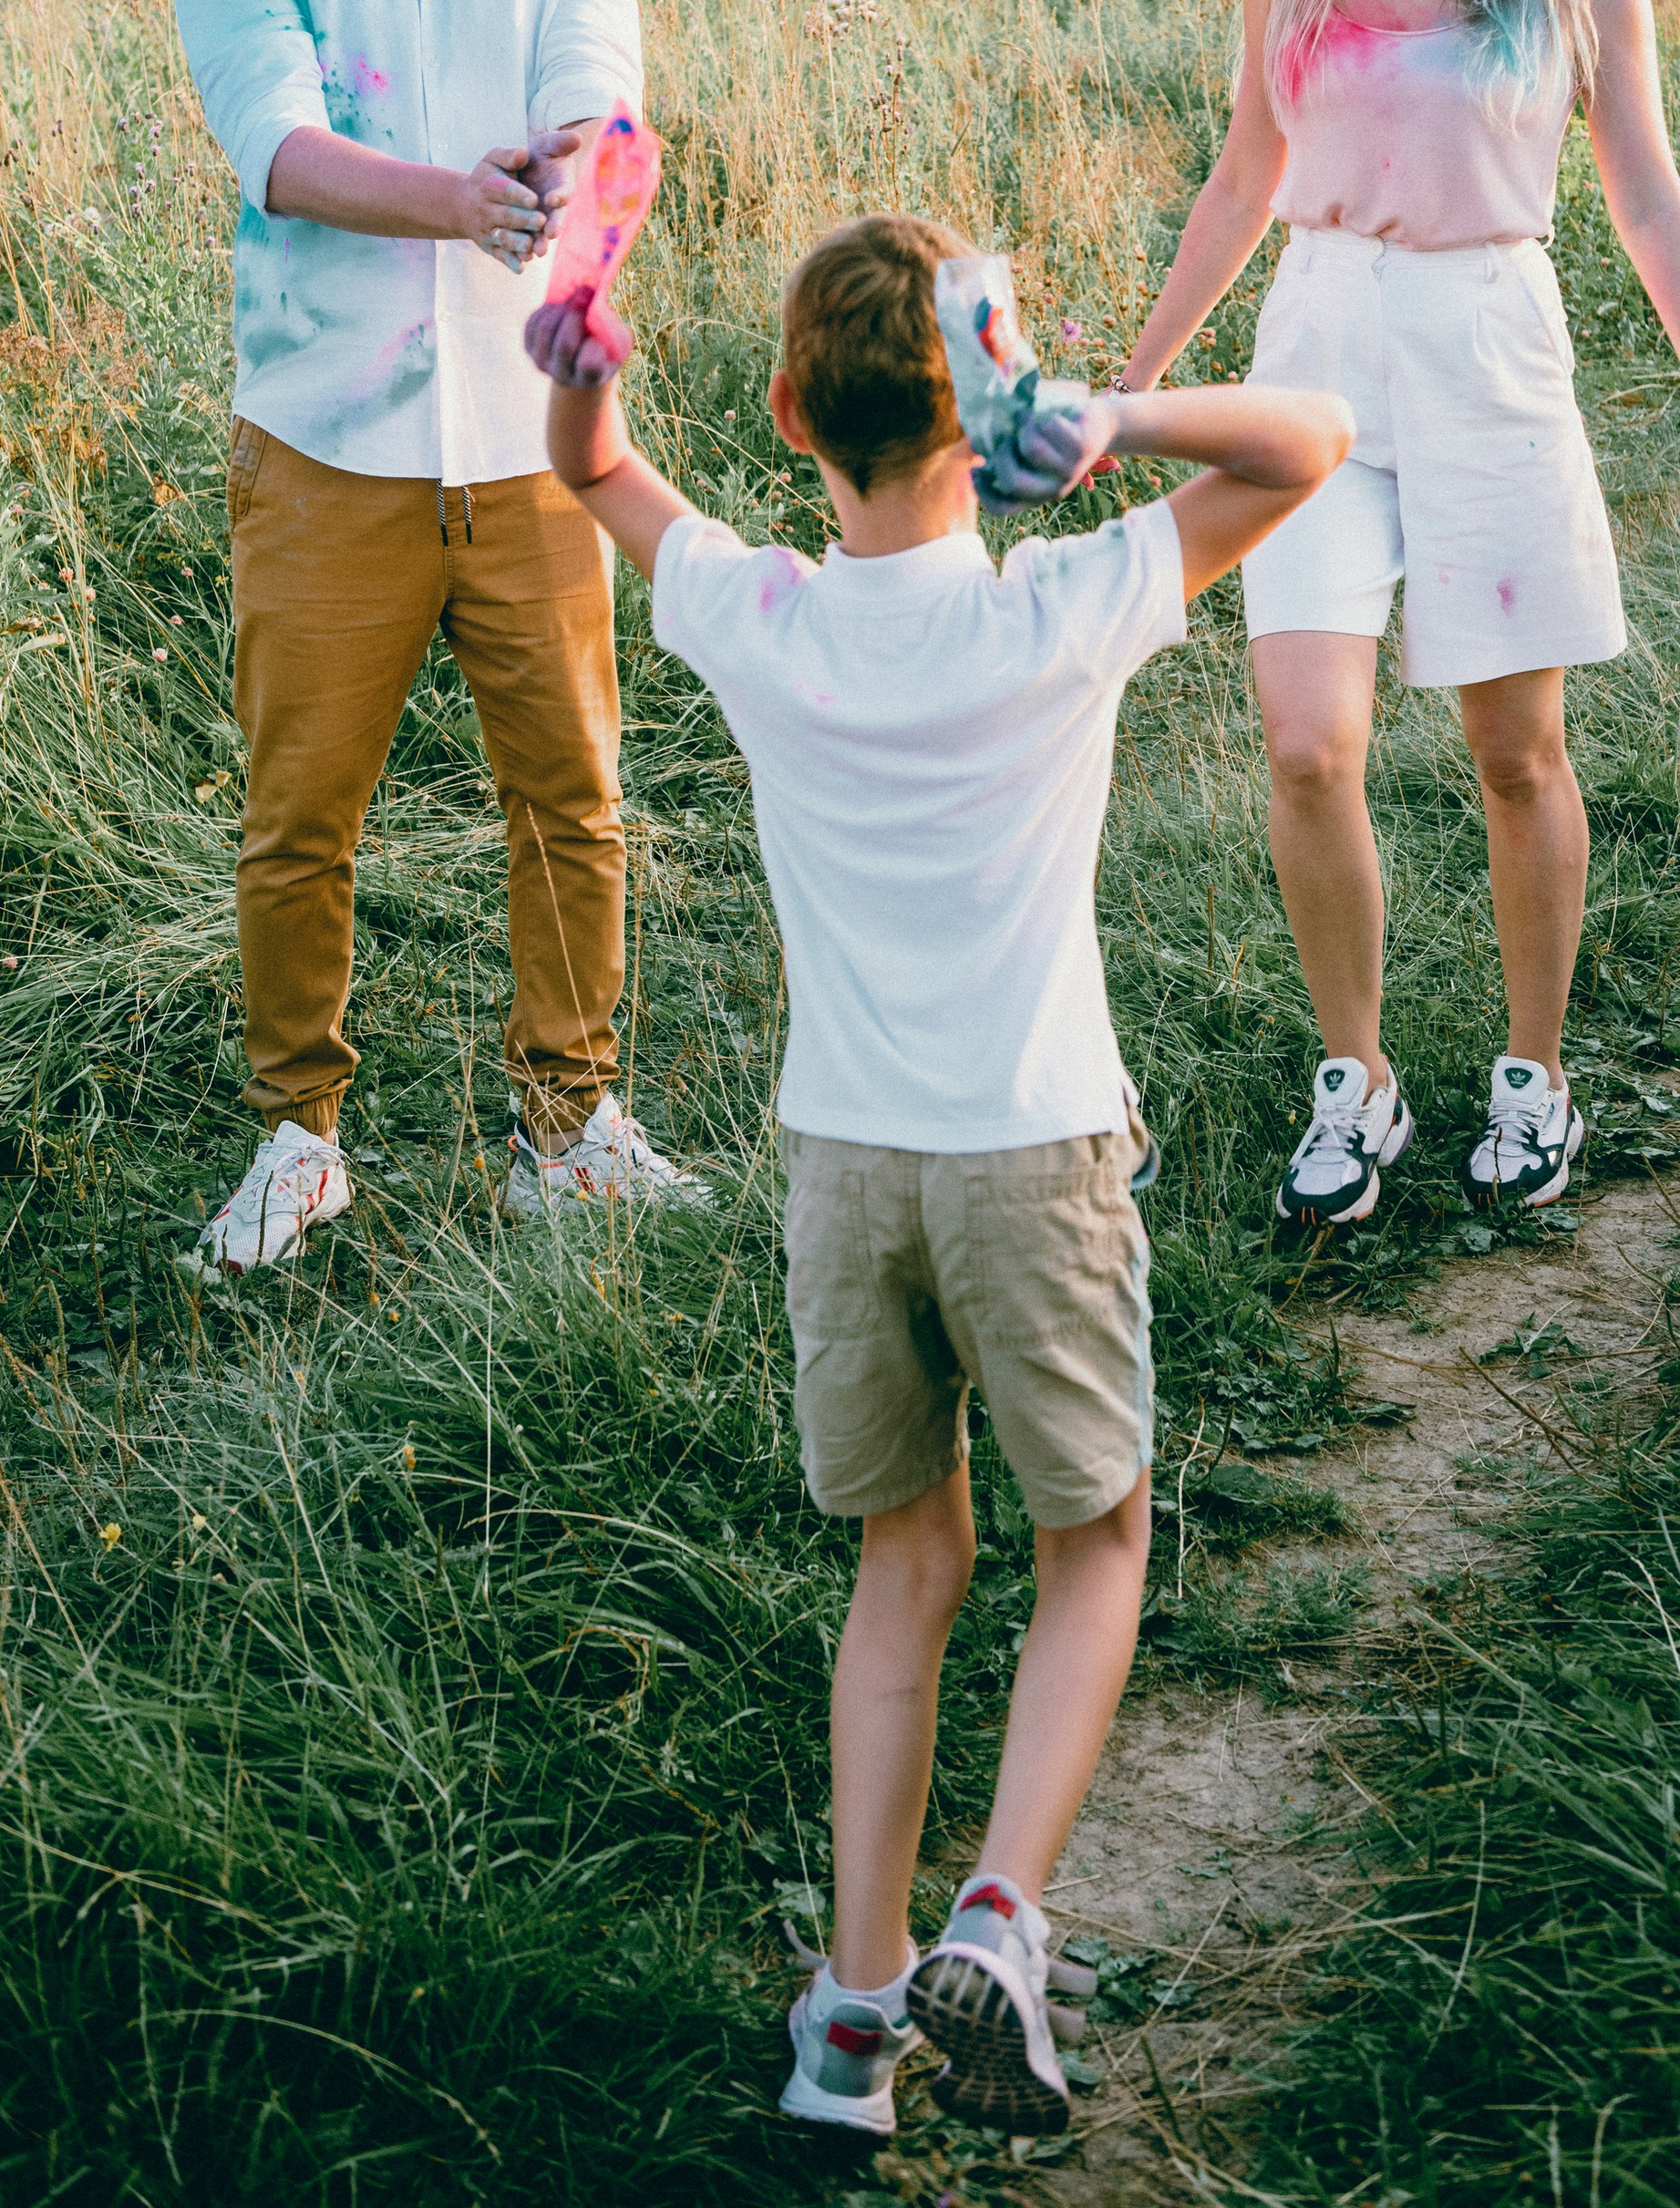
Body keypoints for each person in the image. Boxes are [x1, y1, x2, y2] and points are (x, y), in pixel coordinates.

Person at [524, 214, 1351, 2139]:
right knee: (1099, 1546)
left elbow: (586, 464)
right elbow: (1304, 439)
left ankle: (851, 2011)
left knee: (904, 1560)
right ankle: (1000, 1914)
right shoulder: (1061, 604)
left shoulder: (756, 615)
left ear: (790, 408)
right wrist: (1113, 416)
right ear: (986, 414)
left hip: (843, 1174)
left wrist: (580, 342)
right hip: (1035, 1160)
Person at [1117, 0, 1680, 1238]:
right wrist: (1133, 390)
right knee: (1305, 742)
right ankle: (1353, 1080)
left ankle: (1536, 1077)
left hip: (1490, 340)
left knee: (1515, 752)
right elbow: (1240, 179)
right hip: (1321, 348)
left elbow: (1644, 191)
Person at [174, 0, 696, 1273]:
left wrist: (587, 201)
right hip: (327, 438)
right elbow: (277, 147)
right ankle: (298, 1137)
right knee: (299, 809)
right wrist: (461, 200)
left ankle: (571, 1121)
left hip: (529, 443)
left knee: (574, 795)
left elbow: (603, 120)